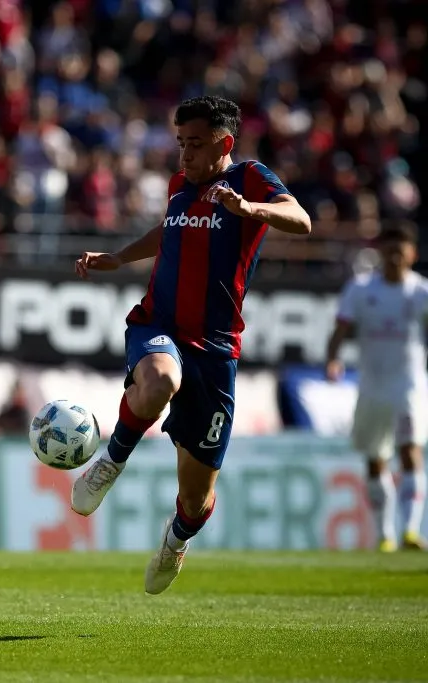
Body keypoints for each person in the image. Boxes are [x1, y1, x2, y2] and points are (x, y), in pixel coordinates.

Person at [71, 96, 312, 594]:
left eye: (196, 144)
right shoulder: (179, 185)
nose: (185, 154)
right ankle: (111, 461)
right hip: (158, 323)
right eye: (181, 143)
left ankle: (176, 540)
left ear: (224, 143)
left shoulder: (249, 178)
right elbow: (170, 231)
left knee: (196, 498)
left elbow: (301, 219)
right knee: (160, 379)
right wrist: (120, 257)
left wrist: (249, 209)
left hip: (216, 349)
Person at [325, 225, 428, 552]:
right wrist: (333, 358)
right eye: (390, 249)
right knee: (375, 458)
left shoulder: (421, 292)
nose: (395, 256)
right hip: (371, 384)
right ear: (381, 252)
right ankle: (385, 535)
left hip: (408, 384)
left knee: (410, 449)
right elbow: (341, 327)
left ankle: (410, 531)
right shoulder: (360, 288)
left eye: (401, 250)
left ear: (412, 254)